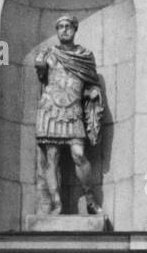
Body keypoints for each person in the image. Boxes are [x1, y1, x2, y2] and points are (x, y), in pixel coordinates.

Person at [34, 14, 104, 215]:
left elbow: (91, 82)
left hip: (73, 109)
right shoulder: (48, 53)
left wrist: (92, 92)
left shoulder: (85, 56)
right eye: (60, 27)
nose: (64, 30)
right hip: (50, 109)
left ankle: (90, 199)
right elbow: (42, 76)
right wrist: (40, 63)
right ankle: (57, 204)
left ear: (75, 29)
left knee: (79, 155)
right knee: (52, 157)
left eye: (68, 26)